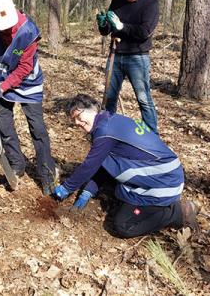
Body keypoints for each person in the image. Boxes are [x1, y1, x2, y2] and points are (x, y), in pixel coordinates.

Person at [53, 94, 199, 238]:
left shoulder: (105, 132)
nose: (77, 122)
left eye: (79, 116)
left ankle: (179, 212)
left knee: (122, 225)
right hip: (166, 174)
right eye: (74, 120)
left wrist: (66, 188)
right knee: (116, 192)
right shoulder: (110, 120)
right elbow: (103, 163)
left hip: (163, 183)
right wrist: (89, 191)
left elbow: (89, 166)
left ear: (94, 108)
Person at [0, 0, 58, 195]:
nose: (7, 29)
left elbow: (23, 70)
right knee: (4, 124)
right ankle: (17, 164)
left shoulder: (28, 32)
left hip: (27, 85)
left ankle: (47, 175)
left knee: (38, 130)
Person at [96, 0, 159, 133]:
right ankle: (107, 131)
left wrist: (122, 26)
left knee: (143, 98)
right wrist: (103, 25)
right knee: (109, 97)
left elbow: (145, 32)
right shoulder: (117, 2)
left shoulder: (150, 3)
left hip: (137, 57)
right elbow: (108, 30)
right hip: (115, 54)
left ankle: (152, 135)